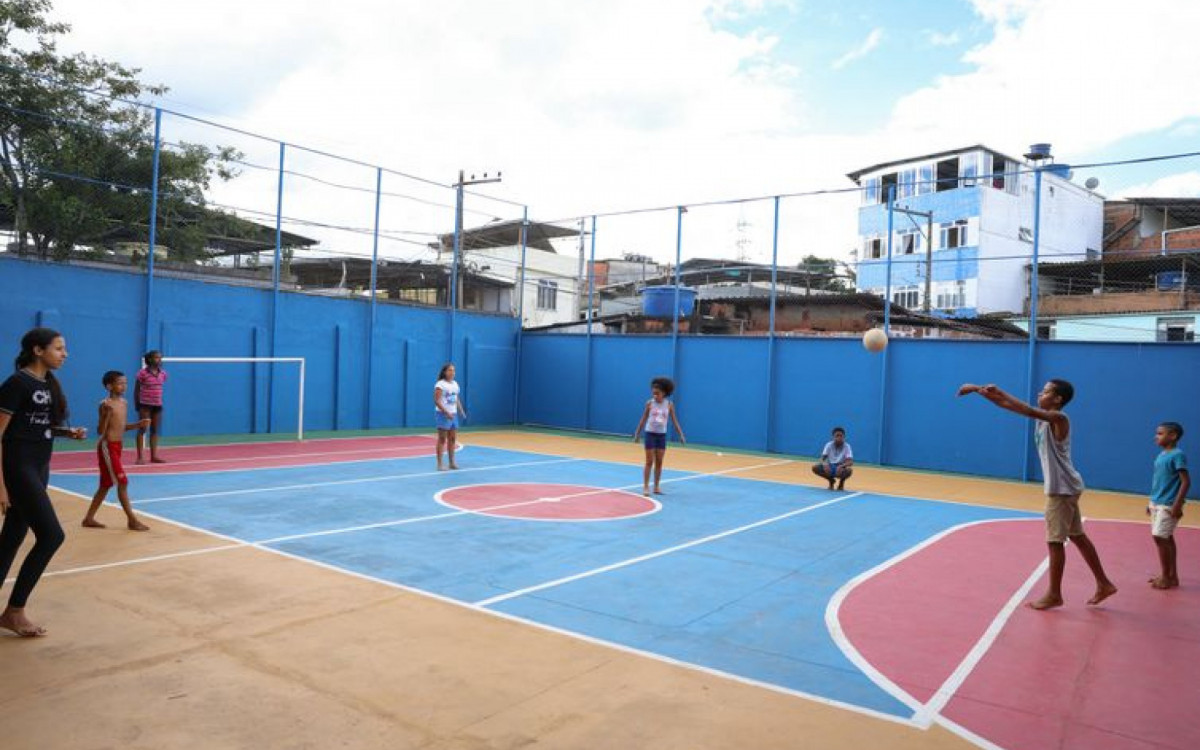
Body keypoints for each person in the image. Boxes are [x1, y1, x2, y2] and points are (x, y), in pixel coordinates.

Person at [958, 379, 1117, 610]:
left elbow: (1025, 408)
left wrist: (1000, 390)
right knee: (1078, 537)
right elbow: (1008, 405)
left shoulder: (1059, 418)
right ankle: (1104, 584)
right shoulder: (1043, 419)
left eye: (1046, 391)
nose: (1040, 393)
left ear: (1058, 399)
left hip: (1061, 490)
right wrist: (977, 391)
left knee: (1055, 541)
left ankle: (1054, 594)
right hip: (1067, 487)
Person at [0, 328, 87, 637]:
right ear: (38, 350)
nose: (65, 354)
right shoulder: (16, 384)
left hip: (39, 467)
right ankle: (15, 610)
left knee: (11, 539)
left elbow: (35, 426)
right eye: (59, 348)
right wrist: (1, 484)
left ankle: (11, 613)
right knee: (51, 536)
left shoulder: (47, 384)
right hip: (18, 468)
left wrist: (66, 432)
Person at [82, 371, 151, 532]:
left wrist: (138, 424)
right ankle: (132, 521)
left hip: (118, 446)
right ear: (109, 386)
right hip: (107, 446)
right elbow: (100, 431)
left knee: (106, 485)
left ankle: (88, 518)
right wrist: (105, 416)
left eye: (125, 383)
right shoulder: (105, 404)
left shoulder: (124, 403)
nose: (124, 386)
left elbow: (122, 427)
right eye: (120, 383)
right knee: (122, 482)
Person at [1147, 421, 1189, 590]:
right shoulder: (1161, 455)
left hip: (1169, 504)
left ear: (1173, 436)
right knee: (1166, 538)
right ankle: (1172, 576)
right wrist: (1151, 501)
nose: (1155, 437)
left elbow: (1185, 482)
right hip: (1157, 503)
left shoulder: (1178, 455)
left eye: (1160, 433)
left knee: (1159, 537)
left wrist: (1177, 505)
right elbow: (1158, 480)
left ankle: (1166, 577)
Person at [632, 376, 686, 497]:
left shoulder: (669, 405)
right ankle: (646, 486)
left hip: (661, 436)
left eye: (657, 393)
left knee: (659, 462)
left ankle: (656, 486)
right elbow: (643, 419)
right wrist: (637, 433)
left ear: (665, 393)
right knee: (649, 461)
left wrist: (681, 434)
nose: (655, 396)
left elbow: (675, 420)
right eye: (653, 393)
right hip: (650, 434)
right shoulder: (649, 403)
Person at [134, 350, 167, 464]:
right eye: (156, 357)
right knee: (143, 429)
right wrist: (137, 404)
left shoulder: (163, 374)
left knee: (155, 430)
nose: (159, 360)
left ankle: (154, 456)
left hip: (157, 405)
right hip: (145, 405)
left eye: (160, 358)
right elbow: (137, 389)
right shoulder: (142, 373)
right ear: (150, 359)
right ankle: (140, 457)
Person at [434, 363, 467, 471]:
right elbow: (437, 401)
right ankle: (439, 464)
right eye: (449, 370)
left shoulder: (455, 384)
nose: (452, 372)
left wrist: (461, 410)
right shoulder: (440, 384)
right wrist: (446, 412)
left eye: (453, 370)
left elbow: (456, 398)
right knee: (442, 439)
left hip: (453, 415)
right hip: (442, 415)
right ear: (444, 372)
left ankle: (452, 462)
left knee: (452, 439)